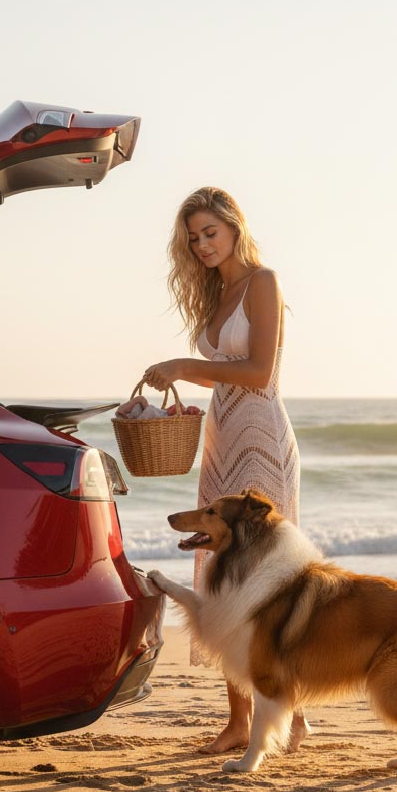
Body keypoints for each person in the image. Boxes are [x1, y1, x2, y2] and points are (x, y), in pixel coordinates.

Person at [143, 186, 310, 755]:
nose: (201, 245)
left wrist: (188, 363)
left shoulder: (262, 282)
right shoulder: (215, 292)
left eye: (209, 232)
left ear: (235, 227)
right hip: (221, 437)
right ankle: (241, 720)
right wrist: (185, 381)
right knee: (222, 573)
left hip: (261, 438)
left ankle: (288, 712)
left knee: (269, 577)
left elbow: (260, 371)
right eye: (193, 237)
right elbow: (221, 375)